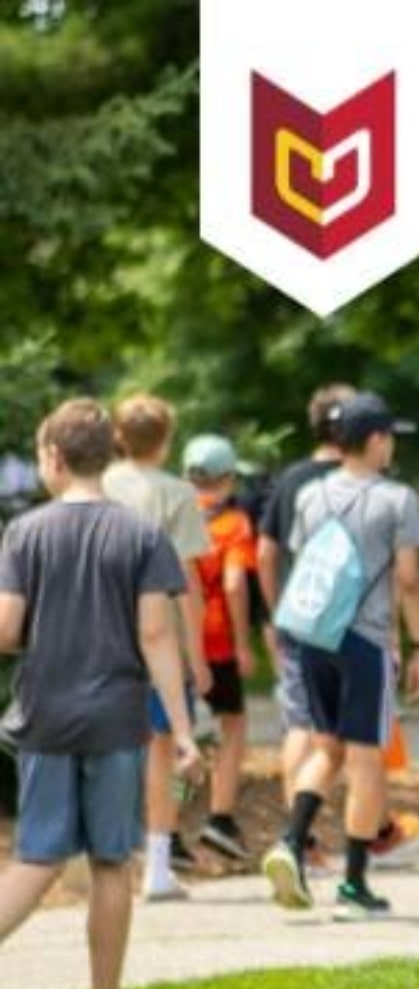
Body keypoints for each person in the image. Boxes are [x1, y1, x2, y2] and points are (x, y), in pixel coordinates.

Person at [0, 399, 202, 989]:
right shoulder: (142, 534)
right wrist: (185, 730)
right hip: (116, 717)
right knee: (113, 861)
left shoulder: (25, 533)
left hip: (45, 716)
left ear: (55, 459)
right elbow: (157, 635)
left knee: (38, 857)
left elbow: (6, 631)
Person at [260, 392, 419, 920]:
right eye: (390, 439)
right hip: (364, 640)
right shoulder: (396, 499)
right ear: (376, 439)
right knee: (364, 758)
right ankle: (355, 886)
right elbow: (407, 578)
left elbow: (300, 558)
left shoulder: (311, 494)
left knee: (326, 748)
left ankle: (291, 840)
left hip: (315, 637)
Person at [103, 393, 212, 901]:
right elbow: (186, 580)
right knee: (166, 756)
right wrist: (198, 655)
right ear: (166, 440)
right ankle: (159, 862)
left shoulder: (100, 483)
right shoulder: (176, 494)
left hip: (102, 636)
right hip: (161, 640)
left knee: (111, 752)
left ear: (118, 437)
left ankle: (108, 854)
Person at [257, 383, 355, 868]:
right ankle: (355, 834)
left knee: (300, 724)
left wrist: (275, 612)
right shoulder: (359, 477)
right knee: (352, 737)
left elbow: (266, 551)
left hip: (300, 616)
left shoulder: (291, 479)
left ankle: (300, 839)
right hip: (352, 622)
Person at [184, 434, 259, 863]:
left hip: (178, 642)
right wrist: (242, 642)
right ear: (228, 478)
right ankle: (220, 817)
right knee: (232, 728)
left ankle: (169, 828)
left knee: (178, 739)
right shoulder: (233, 524)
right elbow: (233, 584)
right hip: (217, 641)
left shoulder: (175, 517)